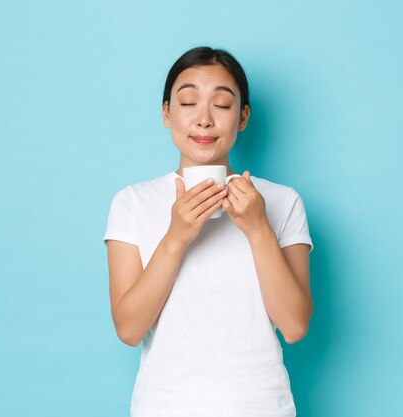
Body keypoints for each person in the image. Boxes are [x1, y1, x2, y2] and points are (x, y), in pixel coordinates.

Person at [104, 46, 313, 417]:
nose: (204, 120)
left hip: (263, 407)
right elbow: (129, 329)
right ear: (167, 113)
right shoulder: (132, 202)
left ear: (243, 116)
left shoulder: (282, 201)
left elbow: (295, 326)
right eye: (187, 103)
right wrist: (175, 238)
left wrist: (258, 229)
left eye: (221, 104)